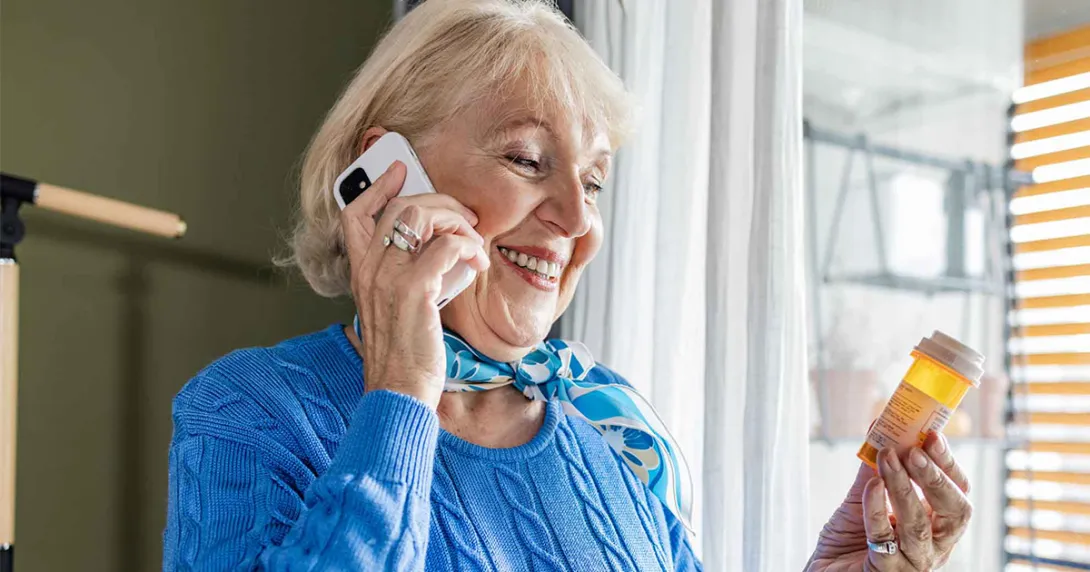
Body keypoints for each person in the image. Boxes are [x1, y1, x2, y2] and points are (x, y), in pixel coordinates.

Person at [162, 1, 974, 570]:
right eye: (526, 159)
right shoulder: (247, 410)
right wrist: (403, 392)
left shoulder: (614, 427)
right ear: (387, 176)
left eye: (592, 182)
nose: (574, 221)